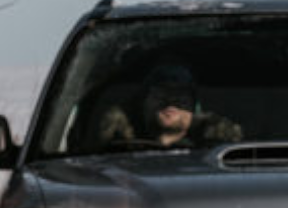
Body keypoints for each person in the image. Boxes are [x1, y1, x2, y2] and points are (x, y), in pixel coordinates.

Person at [96, 62, 242, 149]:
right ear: (143, 103)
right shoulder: (108, 159)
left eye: (180, 95)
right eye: (160, 94)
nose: (171, 102)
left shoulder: (219, 160)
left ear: (195, 108)